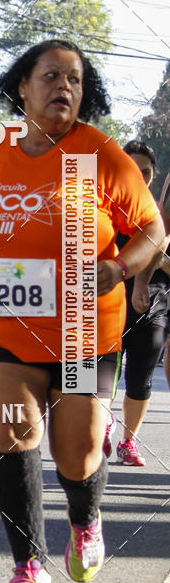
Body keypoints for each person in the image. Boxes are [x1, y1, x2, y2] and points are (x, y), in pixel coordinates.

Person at [0, 39, 164, 583]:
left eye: (75, 80)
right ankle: (29, 565)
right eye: (51, 75)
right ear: (22, 87)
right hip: (3, 323)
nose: (64, 87)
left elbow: (154, 230)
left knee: (76, 454)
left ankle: (85, 516)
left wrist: (122, 267)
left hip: (82, 328)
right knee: (13, 434)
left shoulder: (98, 154)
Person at [109, 141, 169, 466]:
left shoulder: (160, 214)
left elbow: (164, 244)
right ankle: (101, 424)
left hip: (152, 304)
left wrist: (150, 272)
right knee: (100, 372)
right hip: (108, 302)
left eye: (145, 171)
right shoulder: (101, 209)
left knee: (141, 376)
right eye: (132, 168)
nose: (139, 176)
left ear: (153, 175)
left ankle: (128, 442)